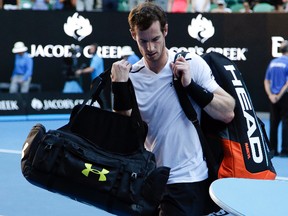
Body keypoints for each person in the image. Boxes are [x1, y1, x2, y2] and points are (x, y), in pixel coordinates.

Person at [111, 2, 235, 215]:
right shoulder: (130, 76)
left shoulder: (191, 63)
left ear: (165, 30)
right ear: (133, 35)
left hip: (189, 179)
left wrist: (191, 86)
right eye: (143, 41)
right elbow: (122, 135)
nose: (150, 48)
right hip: (150, 179)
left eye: (156, 39)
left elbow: (227, 111)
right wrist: (120, 88)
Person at [264, 40, 288, 157]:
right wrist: (279, 95)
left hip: (272, 97)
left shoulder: (273, 62)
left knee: (273, 123)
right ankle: (284, 150)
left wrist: (271, 95)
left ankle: (272, 150)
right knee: (286, 122)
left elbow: (266, 81)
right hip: (284, 97)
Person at [76, 43, 111, 109]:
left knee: (100, 97)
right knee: (99, 97)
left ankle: (105, 111)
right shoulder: (95, 58)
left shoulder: (96, 58)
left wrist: (81, 71)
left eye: (92, 48)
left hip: (98, 81)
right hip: (97, 81)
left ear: (95, 49)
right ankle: (104, 111)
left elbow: (91, 69)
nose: (90, 49)